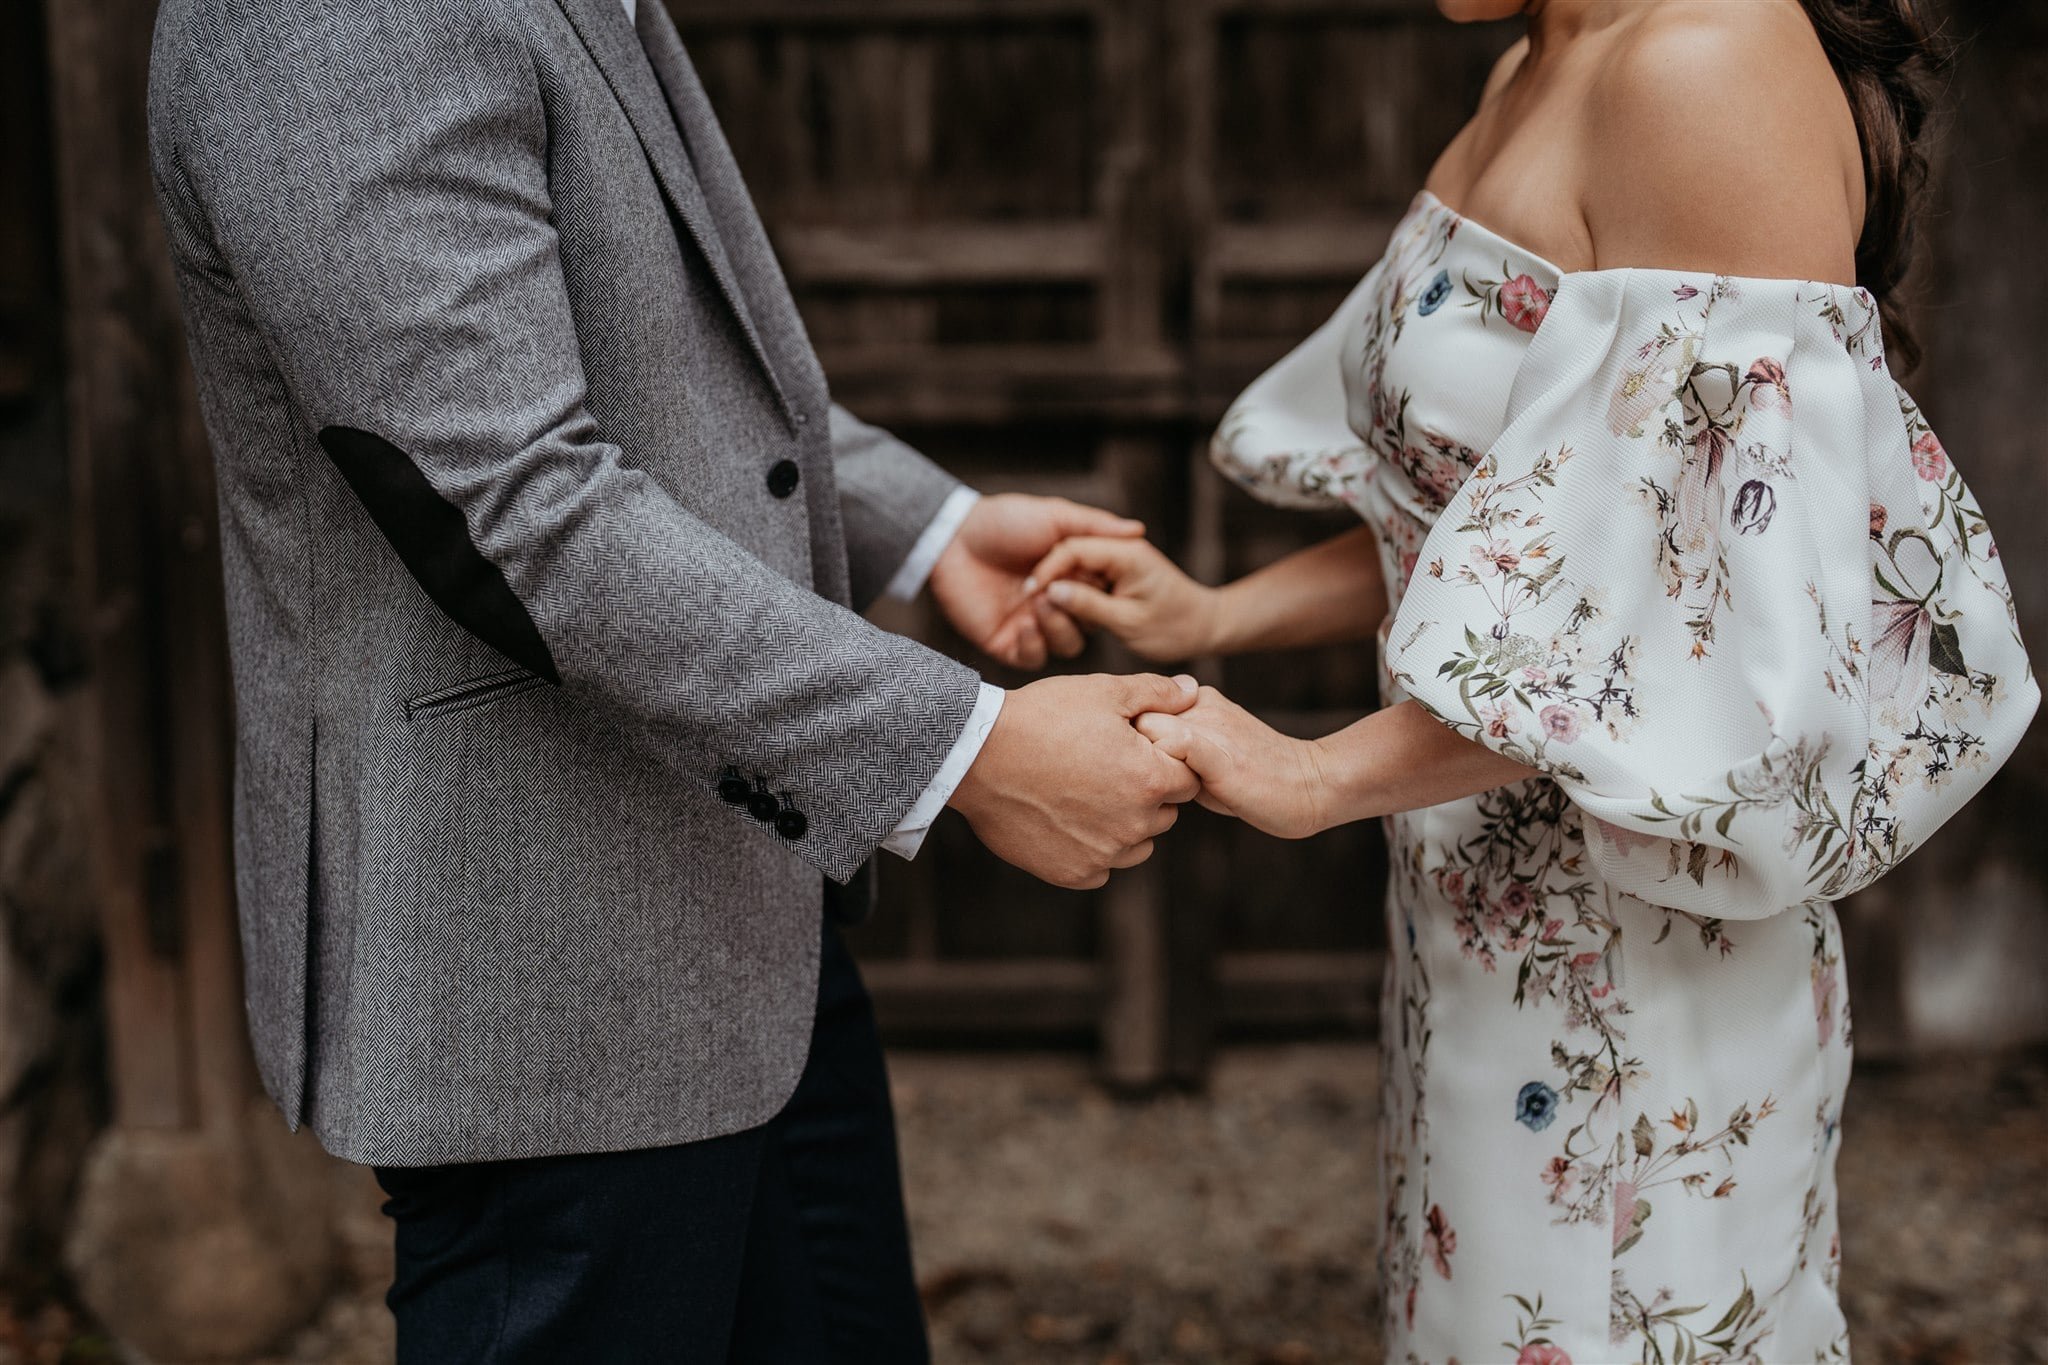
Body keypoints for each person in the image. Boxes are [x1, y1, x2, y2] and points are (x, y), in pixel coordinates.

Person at [144, 0, 1199, 1358]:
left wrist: (922, 527)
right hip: (546, 965)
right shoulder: (341, 21)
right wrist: (965, 749)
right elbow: (519, 509)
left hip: (749, 905)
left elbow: (655, 364)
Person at [1029, 0, 2037, 1359]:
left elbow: (1686, 627)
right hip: (1469, 934)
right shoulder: (1533, 57)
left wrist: (1322, 772)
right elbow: (1497, 539)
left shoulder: (1711, 71)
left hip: (1642, 973)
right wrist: (1210, 613)